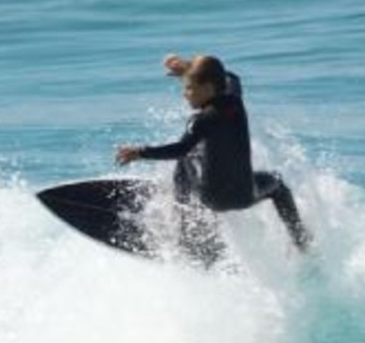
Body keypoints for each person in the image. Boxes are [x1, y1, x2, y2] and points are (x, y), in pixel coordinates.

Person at [115, 54, 311, 262]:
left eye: (189, 88)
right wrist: (190, 69)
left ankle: (183, 225)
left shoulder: (201, 120)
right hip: (246, 194)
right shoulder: (236, 101)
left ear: (207, 88)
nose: (185, 94)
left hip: (213, 199)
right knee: (278, 185)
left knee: (187, 157)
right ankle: (301, 240)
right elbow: (233, 78)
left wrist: (140, 152)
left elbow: (179, 149)